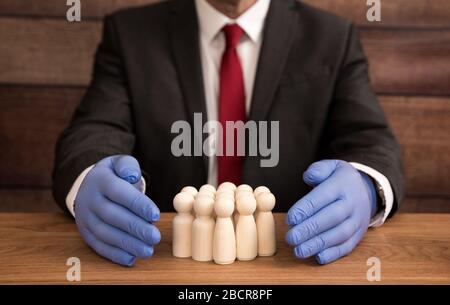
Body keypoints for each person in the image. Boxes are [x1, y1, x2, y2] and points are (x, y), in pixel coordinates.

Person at [53, 0, 404, 266]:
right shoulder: (130, 34)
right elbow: (96, 128)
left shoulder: (331, 38)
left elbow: (370, 139)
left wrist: (365, 184)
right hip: (164, 257)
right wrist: (88, 178)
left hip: (287, 259)